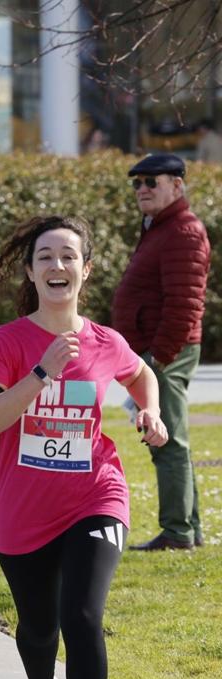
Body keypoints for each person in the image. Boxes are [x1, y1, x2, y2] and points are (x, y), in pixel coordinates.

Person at [0, 216, 168, 679]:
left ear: (86, 269)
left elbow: (141, 376)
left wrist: (148, 410)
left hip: (95, 494)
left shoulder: (106, 341)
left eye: (68, 257)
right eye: (45, 257)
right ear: (30, 272)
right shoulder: (5, 342)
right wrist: (40, 373)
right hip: (24, 509)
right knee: (36, 630)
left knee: (82, 616)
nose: (57, 266)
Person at [111, 153, 210, 550]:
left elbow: (185, 303)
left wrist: (157, 358)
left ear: (177, 185)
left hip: (165, 352)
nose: (142, 189)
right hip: (154, 351)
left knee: (166, 440)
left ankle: (177, 532)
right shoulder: (160, 227)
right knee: (171, 440)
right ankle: (189, 530)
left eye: (152, 181)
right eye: (137, 183)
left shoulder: (183, 231)